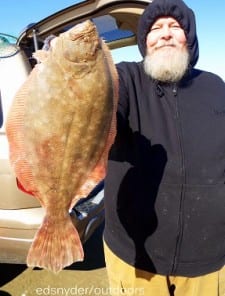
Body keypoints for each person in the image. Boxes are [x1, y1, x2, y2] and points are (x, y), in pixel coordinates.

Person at [103, 0, 225, 295]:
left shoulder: (216, 86)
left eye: (175, 27)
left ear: (189, 38)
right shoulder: (126, 78)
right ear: (145, 42)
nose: (165, 34)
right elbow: (101, 111)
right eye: (155, 28)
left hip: (209, 261)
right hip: (134, 257)